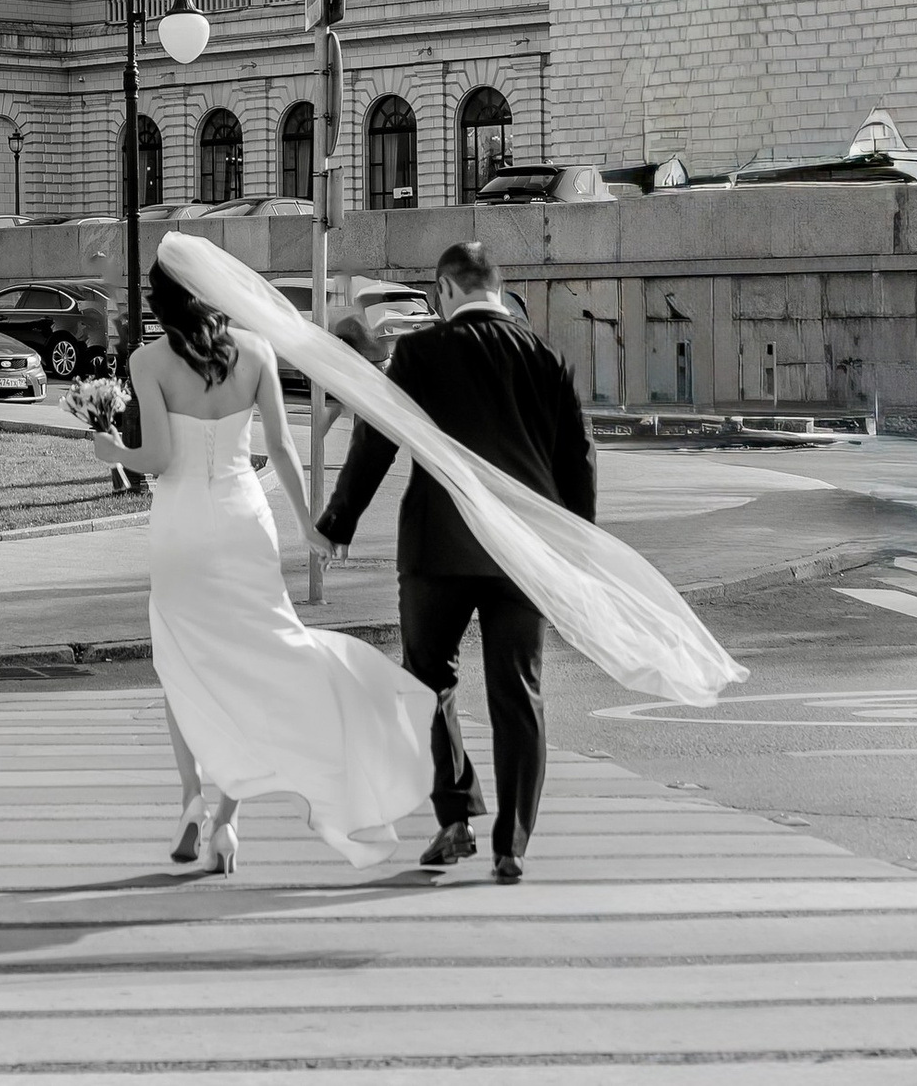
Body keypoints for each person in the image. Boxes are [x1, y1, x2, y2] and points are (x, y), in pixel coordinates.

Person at [131, 245, 436, 875]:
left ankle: (191, 799)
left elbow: (159, 458)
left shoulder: (147, 361)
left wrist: (112, 446)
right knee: (256, 662)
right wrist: (309, 528)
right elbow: (283, 450)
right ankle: (227, 823)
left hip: (181, 525)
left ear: (161, 298)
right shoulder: (257, 352)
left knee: (182, 663)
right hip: (245, 519)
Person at [314, 237, 595, 881]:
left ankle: (456, 813)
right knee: (518, 691)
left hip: (437, 550)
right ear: (497, 287)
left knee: (427, 683)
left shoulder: (420, 352)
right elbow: (577, 460)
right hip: (523, 556)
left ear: (444, 291)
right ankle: (512, 844)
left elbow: (377, 439)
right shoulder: (548, 358)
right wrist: (578, 549)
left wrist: (339, 521)